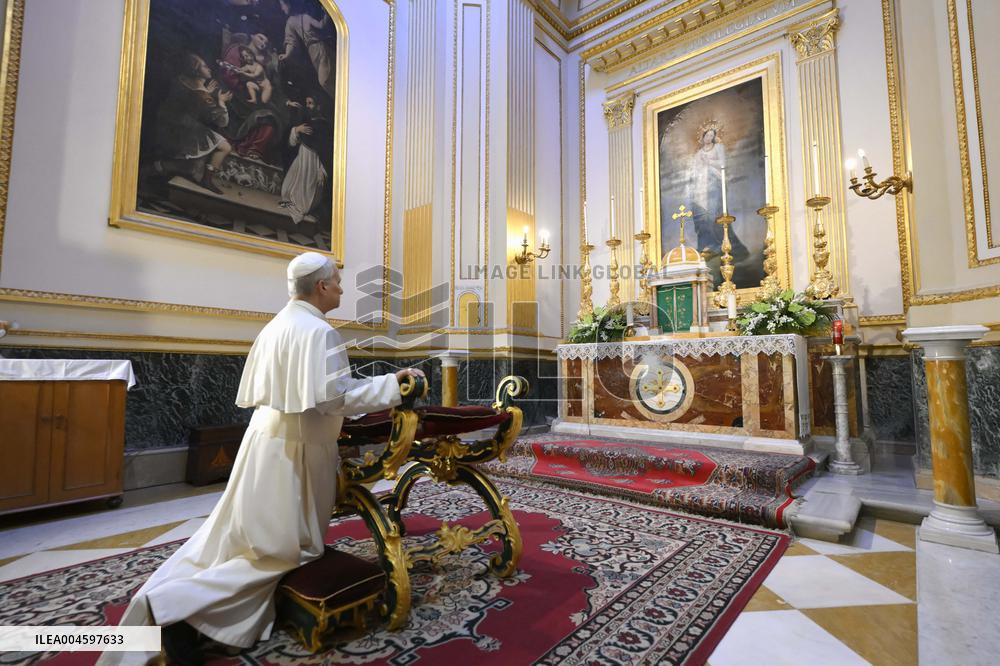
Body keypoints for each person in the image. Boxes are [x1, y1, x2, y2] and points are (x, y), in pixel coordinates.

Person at [114, 253, 424, 665]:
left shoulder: (277, 324)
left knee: (239, 537)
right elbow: (335, 400)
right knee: (283, 552)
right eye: (337, 282)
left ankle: (173, 600)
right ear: (321, 287)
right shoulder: (319, 331)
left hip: (263, 443)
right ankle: (175, 614)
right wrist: (393, 386)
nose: (343, 289)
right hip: (295, 454)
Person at [152, 53, 233, 195]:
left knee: (191, 165)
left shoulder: (181, 80)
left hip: (170, 124)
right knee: (225, 147)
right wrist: (221, 102)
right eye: (204, 66)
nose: (209, 69)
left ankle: (157, 168)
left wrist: (206, 92)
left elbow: (189, 101)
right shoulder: (202, 94)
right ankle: (206, 180)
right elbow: (222, 121)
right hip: (186, 130)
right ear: (196, 70)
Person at [279, 96, 331, 224]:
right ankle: (292, 202)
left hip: (314, 162)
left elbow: (326, 151)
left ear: (318, 106)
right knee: (288, 187)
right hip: (302, 157)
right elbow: (292, 142)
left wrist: (322, 169)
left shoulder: (325, 126)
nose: (307, 106)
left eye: (311, 103)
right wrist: (297, 129)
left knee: (307, 193)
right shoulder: (306, 121)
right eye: (306, 103)